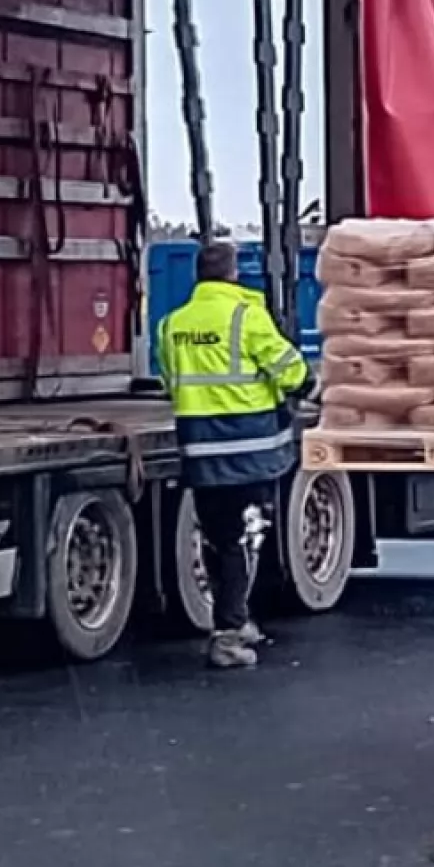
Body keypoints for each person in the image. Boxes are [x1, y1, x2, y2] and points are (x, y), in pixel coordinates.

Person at [156, 238, 311, 669]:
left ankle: (234, 620)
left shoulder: (172, 325)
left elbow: (170, 381)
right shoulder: (247, 315)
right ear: (233, 274)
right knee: (243, 541)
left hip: (201, 454)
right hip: (249, 454)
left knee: (219, 538)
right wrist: (310, 387)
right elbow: (289, 370)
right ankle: (227, 635)